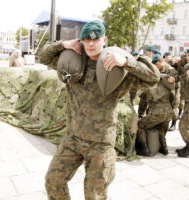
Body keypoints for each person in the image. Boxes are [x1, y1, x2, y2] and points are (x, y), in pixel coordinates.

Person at [38, 20, 160, 200]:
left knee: (94, 195)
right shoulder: (75, 62)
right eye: (86, 40)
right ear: (82, 41)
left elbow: (153, 79)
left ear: (105, 39)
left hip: (100, 144)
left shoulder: (118, 70)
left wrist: (127, 62)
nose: (91, 44)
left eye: (96, 40)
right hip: (72, 138)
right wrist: (63, 44)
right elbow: (43, 57)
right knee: (53, 181)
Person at [136, 54, 176, 156]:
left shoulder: (148, 84)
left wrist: (140, 115)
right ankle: (164, 149)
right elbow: (173, 97)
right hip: (169, 112)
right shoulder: (164, 81)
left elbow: (142, 103)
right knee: (161, 128)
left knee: (139, 125)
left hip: (158, 112)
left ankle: (143, 149)